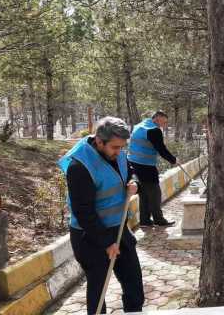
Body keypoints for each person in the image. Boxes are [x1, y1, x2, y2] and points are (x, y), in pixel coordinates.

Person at [58, 117, 144, 314]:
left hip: (119, 228)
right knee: (98, 290)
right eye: (115, 147)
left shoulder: (118, 153)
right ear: (99, 141)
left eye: (122, 147)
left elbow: (130, 172)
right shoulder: (79, 167)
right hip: (89, 237)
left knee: (134, 284)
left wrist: (134, 183)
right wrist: (107, 242)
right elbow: (83, 212)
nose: (119, 152)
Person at [128, 111, 177, 227]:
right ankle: (159, 220)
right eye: (163, 122)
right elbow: (161, 149)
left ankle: (144, 220)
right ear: (157, 119)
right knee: (155, 193)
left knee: (144, 192)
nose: (164, 125)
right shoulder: (153, 130)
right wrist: (173, 160)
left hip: (132, 163)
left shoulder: (139, 126)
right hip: (146, 166)